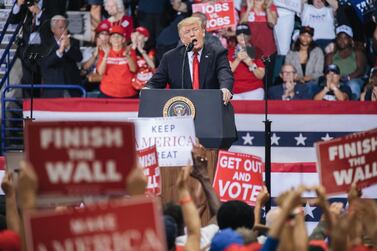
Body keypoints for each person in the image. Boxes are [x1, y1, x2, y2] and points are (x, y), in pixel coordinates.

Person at [145, 16, 234, 104]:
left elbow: (225, 74)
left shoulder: (217, 53)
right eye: (187, 32)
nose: (192, 34)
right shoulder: (170, 57)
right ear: (182, 39)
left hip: (210, 105)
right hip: (181, 108)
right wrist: (147, 89)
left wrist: (225, 88)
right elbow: (156, 82)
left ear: (203, 32)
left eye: (195, 29)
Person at [40, 15, 83, 98]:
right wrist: (60, 50)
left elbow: (79, 58)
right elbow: (45, 63)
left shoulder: (73, 41)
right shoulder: (45, 44)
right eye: (60, 28)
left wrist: (68, 47)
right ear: (53, 30)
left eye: (65, 28)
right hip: (54, 90)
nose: (64, 31)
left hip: (72, 89)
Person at [325, 25, 367, 100]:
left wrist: (348, 77)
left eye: (345, 38)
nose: (342, 40)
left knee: (353, 85)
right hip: (336, 80)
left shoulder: (358, 53)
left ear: (350, 39)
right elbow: (327, 71)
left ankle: (352, 107)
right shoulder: (331, 55)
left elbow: (361, 70)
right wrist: (336, 79)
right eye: (339, 38)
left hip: (354, 79)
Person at [96, 25, 138, 98]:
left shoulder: (130, 51)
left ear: (123, 39)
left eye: (118, 36)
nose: (116, 39)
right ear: (110, 39)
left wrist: (127, 56)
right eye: (113, 36)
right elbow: (100, 72)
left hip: (127, 93)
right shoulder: (103, 51)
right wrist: (106, 55)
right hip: (107, 92)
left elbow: (133, 69)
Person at [228, 23, 265, 100]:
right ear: (236, 36)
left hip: (254, 89)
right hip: (234, 91)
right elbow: (227, 72)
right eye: (239, 34)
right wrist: (238, 59)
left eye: (245, 34)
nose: (242, 37)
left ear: (250, 36)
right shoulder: (229, 52)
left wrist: (251, 64)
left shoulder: (257, 51)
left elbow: (261, 75)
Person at [285, 26, 324, 96]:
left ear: (312, 38)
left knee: (308, 88)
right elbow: (286, 70)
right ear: (299, 36)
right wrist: (298, 78)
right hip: (294, 82)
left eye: (308, 36)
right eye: (303, 35)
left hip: (312, 83)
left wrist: (309, 77)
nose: (305, 38)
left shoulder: (318, 52)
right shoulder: (291, 52)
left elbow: (319, 72)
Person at [131, 26, 156, 90]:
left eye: (139, 35)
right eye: (135, 34)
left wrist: (141, 50)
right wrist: (133, 48)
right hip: (134, 84)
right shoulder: (129, 49)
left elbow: (152, 65)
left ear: (145, 38)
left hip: (148, 84)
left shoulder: (150, 50)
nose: (136, 37)